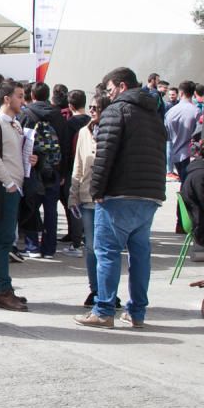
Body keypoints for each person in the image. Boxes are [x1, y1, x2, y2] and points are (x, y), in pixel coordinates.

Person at [75, 67, 165, 330]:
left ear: (122, 86)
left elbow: (105, 154)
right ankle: (137, 312)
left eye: (110, 88)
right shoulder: (153, 113)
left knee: (107, 253)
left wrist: (97, 191)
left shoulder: (116, 110)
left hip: (119, 194)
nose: (108, 93)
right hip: (149, 195)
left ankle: (103, 310)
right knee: (140, 255)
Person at [0, 81, 37, 311]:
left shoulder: (14, 124)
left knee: (5, 241)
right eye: (20, 96)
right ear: (7, 98)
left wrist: (29, 161)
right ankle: (3, 290)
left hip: (14, 186)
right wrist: (10, 183)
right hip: (5, 188)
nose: (23, 101)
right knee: (4, 241)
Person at [18, 82, 72, 259]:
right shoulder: (58, 116)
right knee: (51, 210)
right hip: (54, 169)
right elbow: (65, 145)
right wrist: (63, 171)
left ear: (32, 95)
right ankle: (49, 248)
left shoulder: (25, 114)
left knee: (31, 207)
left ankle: (32, 246)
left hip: (32, 167)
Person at [69, 95, 111, 307]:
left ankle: (106, 291)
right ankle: (95, 289)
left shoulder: (113, 131)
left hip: (108, 197)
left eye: (98, 108)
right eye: (92, 107)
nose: (93, 111)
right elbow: (78, 163)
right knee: (92, 246)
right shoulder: (84, 132)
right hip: (87, 196)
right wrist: (73, 193)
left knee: (105, 247)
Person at [59, 89, 91, 256]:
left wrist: (63, 173)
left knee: (74, 205)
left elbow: (65, 150)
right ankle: (87, 238)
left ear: (70, 105)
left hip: (73, 169)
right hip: (90, 169)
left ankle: (76, 241)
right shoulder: (91, 122)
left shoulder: (69, 124)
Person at [165, 80, 200, 183]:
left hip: (176, 155)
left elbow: (167, 135)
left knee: (184, 184)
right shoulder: (196, 111)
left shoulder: (170, 112)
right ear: (193, 93)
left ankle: (181, 199)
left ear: (180, 93)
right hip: (191, 154)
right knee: (189, 185)